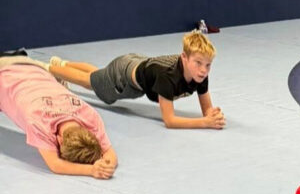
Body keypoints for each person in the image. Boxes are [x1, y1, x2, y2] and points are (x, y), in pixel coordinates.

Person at [47, 30, 225, 130]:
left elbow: (207, 110)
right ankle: (46, 68)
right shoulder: (168, 77)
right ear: (184, 58)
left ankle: (63, 64)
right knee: (91, 82)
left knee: (98, 74)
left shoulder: (200, 74)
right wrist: (205, 122)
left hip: (137, 63)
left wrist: (211, 115)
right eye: (198, 63)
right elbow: (170, 120)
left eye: (208, 65)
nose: (203, 70)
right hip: (123, 77)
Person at [0, 56, 117, 178]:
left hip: (33, 66)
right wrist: (92, 170)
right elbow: (55, 164)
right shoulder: (37, 121)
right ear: (60, 141)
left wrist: (105, 167)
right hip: (4, 70)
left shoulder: (90, 116)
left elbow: (109, 154)